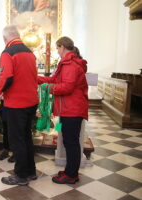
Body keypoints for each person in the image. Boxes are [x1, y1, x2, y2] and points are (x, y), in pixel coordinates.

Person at [37, 36, 88, 184]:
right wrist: (37, 79)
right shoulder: (66, 63)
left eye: (57, 48)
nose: (57, 51)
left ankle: (71, 175)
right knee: (69, 141)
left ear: (62, 47)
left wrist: (48, 88)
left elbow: (66, 87)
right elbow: (54, 79)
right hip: (68, 109)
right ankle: (69, 171)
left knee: (71, 142)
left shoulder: (70, 64)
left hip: (72, 110)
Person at [0, 25, 39, 186]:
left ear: (5, 38)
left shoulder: (8, 52)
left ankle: (20, 175)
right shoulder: (29, 52)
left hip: (16, 103)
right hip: (31, 101)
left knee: (17, 140)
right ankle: (31, 171)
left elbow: (6, 78)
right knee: (26, 137)